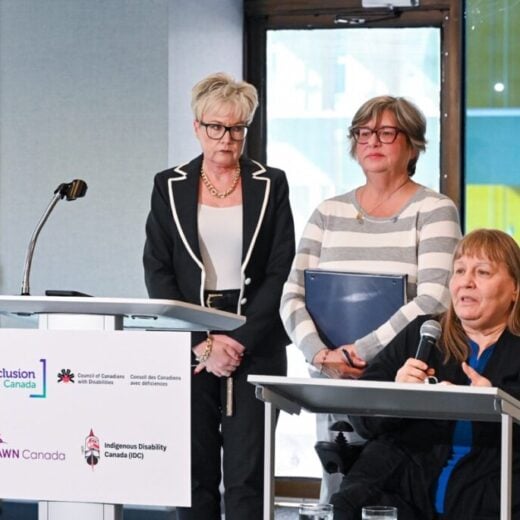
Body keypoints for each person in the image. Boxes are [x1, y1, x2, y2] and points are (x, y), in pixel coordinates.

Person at [280, 95, 461, 500]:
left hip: (398, 381)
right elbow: (292, 294)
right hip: (331, 377)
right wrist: (320, 356)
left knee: (387, 494)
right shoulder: (328, 212)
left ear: (412, 145)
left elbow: (433, 298)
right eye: (363, 132)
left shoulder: (434, 209)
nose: (371, 141)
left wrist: (360, 354)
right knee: (335, 492)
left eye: (386, 132)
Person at [143, 72, 295, 520]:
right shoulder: (167, 185)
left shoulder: (273, 183)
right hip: (191, 337)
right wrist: (204, 342)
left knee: (248, 474)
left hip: (256, 338)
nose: (226, 138)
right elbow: (158, 270)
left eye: (237, 128)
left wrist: (236, 339)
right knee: (194, 471)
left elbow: (278, 268)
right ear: (197, 127)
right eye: (216, 127)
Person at [331, 228, 520, 519]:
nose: (466, 283)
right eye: (459, 271)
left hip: (492, 490)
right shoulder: (422, 332)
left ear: (515, 288)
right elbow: (362, 417)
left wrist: (497, 407)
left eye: (482, 272)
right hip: (403, 486)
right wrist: (396, 393)